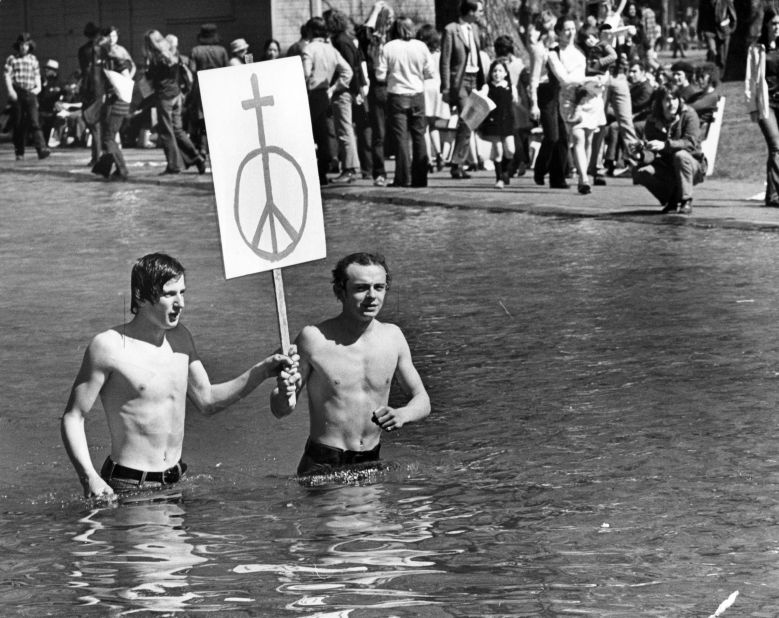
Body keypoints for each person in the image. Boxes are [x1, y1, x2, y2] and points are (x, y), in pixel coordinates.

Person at [61, 253, 296, 498]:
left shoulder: (180, 338)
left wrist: (263, 370)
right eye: (169, 294)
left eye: (182, 292)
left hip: (177, 481)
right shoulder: (108, 347)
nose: (180, 303)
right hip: (130, 485)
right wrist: (89, 477)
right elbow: (73, 416)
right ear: (141, 297)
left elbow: (207, 400)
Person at [270, 253, 430, 477]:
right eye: (361, 288)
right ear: (339, 291)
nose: (372, 296)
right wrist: (285, 393)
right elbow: (280, 409)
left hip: (371, 459)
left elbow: (423, 400)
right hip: (325, 463)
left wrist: (403, 414)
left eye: (379, 287)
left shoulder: (394, 337)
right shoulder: (314, 338)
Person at [547, 16, 605, 195]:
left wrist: (596, 80)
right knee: (578, 136)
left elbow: (599, 64)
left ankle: (584, 172)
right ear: (558, 32)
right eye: (566, 29)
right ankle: (583, 179)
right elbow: (564, 79)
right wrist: (587, 80)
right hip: (570, 100)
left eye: (573, 28)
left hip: (590, 97)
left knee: (588, 138)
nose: (570, 32)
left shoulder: (582, 48)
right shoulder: (553, 53)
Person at [376, 16, 434, 188]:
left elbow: (380, 74)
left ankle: (402, 177)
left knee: (400, 138)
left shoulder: (388, 47)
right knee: (419, 135)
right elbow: (430, 71)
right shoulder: (421, 46)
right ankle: (420, 179)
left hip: (397, 94)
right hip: (417, 94)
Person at [631, 87, 705, 215]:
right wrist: (640, 155)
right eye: (667, 100)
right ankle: (671, 198)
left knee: (680, 156)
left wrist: (665, 145)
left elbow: (690, 143)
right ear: (659, 102)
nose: (672, 104)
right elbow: (651, 152)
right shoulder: (652, 120)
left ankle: (686, 200)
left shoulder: (689, 114)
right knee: (640, 172)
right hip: (667, 166)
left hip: (692, 165)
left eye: (675, 99)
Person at [144, 29, 207, 175]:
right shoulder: (173, 51)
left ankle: (173, 165)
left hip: (164, 96)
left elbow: (151, 77)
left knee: (166, 132)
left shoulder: (156, 57)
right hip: (176, 94)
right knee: (178, 130)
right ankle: (196, 157)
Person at [301, 16, 352, 186]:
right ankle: (322, 172)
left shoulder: (309, 49)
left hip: (311, 94)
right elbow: (348, 72)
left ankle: (314, 172)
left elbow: (306, 73)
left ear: (310, 30)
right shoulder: (331, 50)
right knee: (324, 135)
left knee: (310, 135)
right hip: (325, 94)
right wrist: (334, 87)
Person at [440, 0, 485, 179]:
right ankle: (457, 163)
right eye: (479, 10)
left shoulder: (474, 29)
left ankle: (458, 161)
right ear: (470, 11)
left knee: (471, 121)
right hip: (460, 80)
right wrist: (446, 87)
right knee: (466, 120)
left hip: (474, 79)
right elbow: (445, 60)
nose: (481, 13)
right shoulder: (451, 29)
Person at [529, 11, 569, 189]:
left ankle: (558, 177)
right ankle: (540, 169)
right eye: (552, 28)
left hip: (557, 92)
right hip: (544, 93)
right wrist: (534, 103)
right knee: (552, 136)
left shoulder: (557, 48)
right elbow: (534, 79)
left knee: (562, 137)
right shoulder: (539, 50)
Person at [357, 1, 395, 186]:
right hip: (381, 88)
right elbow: (364, 33)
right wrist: (376, 9)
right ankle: (379, 172)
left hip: (389, 88)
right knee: (379, 133)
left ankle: (386, 173)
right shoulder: (374, 41)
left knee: (388, 133)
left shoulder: (391, 40)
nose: (391, 23)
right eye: (389, 19)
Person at [325, 9, 363, 184]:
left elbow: (350, 68)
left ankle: (349, 169)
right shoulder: (346, 39)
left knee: (344, 129)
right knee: (346, 129)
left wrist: (353, 89)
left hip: (342, 90)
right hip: (348, 90)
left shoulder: (340, 41)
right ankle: (351, 167)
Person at [746, 9, 779, 208]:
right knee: (776, 145)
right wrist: (752, 107)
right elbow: (750, 80)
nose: (777, 28)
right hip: (767, 105)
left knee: (776, 150)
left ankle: (771, 194)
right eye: (774, 24)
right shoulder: (757, 49)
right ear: (767, 25)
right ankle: (775, 196)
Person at [91, 30, 132, 181]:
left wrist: (115, 86)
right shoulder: (105, 63)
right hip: (112, 101)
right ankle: (105, 168)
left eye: (97, 48)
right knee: (109, 137)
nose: (94, 51)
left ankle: (122, 169)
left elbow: (127, 79)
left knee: (108, 138)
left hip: (118, 101)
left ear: (103, 49)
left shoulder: (117, 61)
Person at [4, 32, 50, 161]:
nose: (24, 47)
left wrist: (38, 88)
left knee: (34, 121)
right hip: (17, 92)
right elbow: (7, 76)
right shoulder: (12, 59)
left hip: (30, 92)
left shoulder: (33, 59)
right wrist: (10, 91)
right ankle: (20, 151)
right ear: (18, 46)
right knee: (19, 123)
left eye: (26, 45)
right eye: (21, 44)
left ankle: (42, 149)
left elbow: (36, 75)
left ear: (29, 46)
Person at [188, 23, 229, 155]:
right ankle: (219, 146)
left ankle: (203, 147)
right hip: (218, 86)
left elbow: (192, 70)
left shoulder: (195, 50)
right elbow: (227, 70)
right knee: (217, 117)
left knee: (202, 119)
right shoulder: (221, 50)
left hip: (201, 85)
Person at [478, 59, 515, 189]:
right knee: (498, 151)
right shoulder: (487, 87)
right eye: (494, 71)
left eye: (500, 71)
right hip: (493, 122)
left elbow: (515, 102)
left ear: (505, 73)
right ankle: (499, 178)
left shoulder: (510, 86)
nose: (497, 73)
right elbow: (480, 99)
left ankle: (505, 171)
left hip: (507, 122)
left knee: (510, 150)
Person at [698, 0, 736, 72]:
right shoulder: (704, 2)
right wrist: (699, 32)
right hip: (709, 31)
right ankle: (712, 72)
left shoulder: (726, 2)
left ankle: (720, 74)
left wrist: (730, 30)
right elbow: (701, 18)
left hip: (724, 32)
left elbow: (734, 18)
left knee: (722, 57)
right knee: (712, 51)